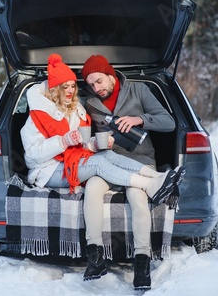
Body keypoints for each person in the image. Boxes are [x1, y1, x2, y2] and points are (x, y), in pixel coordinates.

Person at [81, 54, 185, 290]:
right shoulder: (91, 103)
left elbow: (168, 122)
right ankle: (95, 256)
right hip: (108, 161)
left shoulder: (138, 90)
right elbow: (84, 132)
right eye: (91, 85)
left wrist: (139, 119)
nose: (96, 88)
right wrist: (97, 143)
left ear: (111, 74)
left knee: (137, 197)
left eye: (98, 81)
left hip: (140, 159)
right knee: (93, 187)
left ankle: (142, 262)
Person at [20, 53, 181, 203]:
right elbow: (32, 155)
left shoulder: (78, 112)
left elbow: (81, 146)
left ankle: (159, 177)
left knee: (106, 156)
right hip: (47, 170)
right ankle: (148, 185)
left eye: (72, 86)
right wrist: (62, 141)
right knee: (98, 162)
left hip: (81, 161)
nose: (70, 91)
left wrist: (92, 145)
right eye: (65, 87)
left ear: (111, 75)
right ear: (55, 89)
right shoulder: (37, 117)